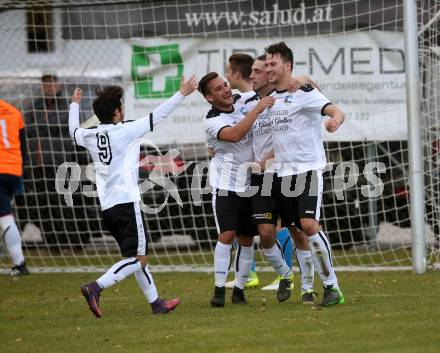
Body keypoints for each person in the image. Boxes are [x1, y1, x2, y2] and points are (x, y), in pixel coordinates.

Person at [69, 75, 198, 317]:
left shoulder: (90, 135)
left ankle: (156, 303)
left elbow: (73, 131)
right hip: (127, 203)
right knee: (139, 259)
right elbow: (158, 115)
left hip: (107, 207)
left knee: (134, 257)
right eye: (122, 106)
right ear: (117, 112)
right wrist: (181, 93)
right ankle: (95, 287)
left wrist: (74, 105)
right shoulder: (126, 131)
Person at [260, 42, 345, 306]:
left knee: (309, 224)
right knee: (297, 231)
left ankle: (332, 286)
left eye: (273, 64)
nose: (268, 68)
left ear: (287, 66)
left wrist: (335, 120)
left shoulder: (305, 92)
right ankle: (307, 287)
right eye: (266, 65)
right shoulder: (272, 101)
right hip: (283, 175)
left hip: (308, 170)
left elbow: (336, 110)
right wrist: (270, 157)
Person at [200, 72, 295, 306]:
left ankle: (241, 289)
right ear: (209, 97)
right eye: (218, 89)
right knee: (227, 235)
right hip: (225, 186)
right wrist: (258, 109)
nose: (225, 90)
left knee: (248, 238)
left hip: (253, 181)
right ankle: (219, 289)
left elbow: (266, 90)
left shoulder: (244, 99)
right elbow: (234, 135)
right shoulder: (211, 120)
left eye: (225, 84)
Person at [23, 74, 78, 245]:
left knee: (62, 202)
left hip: (59, 162)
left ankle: (69, 241)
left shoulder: (66, 105)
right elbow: (28, 129)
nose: (48, 86)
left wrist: (41, 127)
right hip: (38, 163)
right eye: (45, 83)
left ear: (58, 84)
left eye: (52, 83)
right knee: (43, 203)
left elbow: (64, 126)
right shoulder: (35, 105)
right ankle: (51, 241)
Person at [0, 99, 29, 276]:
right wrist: (19, 169)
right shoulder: (14, 112)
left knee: (5, 218)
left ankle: (20, 264)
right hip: (13, 169)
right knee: (5, 215)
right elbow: (24, 146)